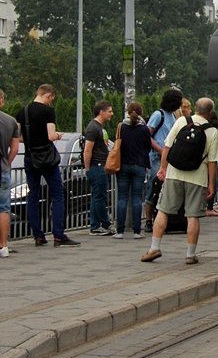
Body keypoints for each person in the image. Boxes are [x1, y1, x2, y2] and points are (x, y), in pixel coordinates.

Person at [141, 98, 218, 265]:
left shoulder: (182, 121)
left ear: (195, 109)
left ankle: (154, 248)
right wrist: (211, 184)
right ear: (210, 113)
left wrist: (163, 169)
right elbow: (212, 162)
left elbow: (167, 147)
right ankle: (190, 255)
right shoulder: (212, 131)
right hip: (197, 179)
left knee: (163, 211)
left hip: (174, 174)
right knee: (193, 217)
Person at [15, 84, 80, 247]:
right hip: (47, 159)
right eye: (51, 99)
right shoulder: (48, 111)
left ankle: (38, 236)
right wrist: (58, 135)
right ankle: (58, 235)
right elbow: (51, 136)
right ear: (48, 95)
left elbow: (19, 137)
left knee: (33, 195)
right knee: (57, 194)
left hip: (30, 157)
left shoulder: (22, 111)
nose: (51, 102)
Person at [144, 88, 183, 232]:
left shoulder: (173, 117)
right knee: (153, 186)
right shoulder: (158, 115)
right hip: (157, 156)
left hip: (168, 157)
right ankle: (148, 220)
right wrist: (160, 149)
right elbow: (147, 134)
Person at [113, 102, 152, 239]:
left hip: (123, 165)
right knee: (137, 198)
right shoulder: (144, 129)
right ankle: (137, 231)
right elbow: (148, 147)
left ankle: (119, 231)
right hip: (139, 165)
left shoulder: (121, 127)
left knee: (122, 198)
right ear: (141, 112)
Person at [84, 100, 114, 236]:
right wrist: (88, 169)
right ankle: (103, 223)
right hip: (97, 166)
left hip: (102, 166)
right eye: (109, 111)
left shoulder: (99, 127)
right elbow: (87, 150)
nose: (111, 114)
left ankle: (95, 225)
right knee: (99, 197)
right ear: (101, 112)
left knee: (98, 196)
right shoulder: (93, 128)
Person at [0, 90, 20, 258]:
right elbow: (15, 148)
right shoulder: (11, 121)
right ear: (1, 101)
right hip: (2, 169)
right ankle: (3, 246)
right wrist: (6, 162)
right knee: (3, 208)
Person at [205, 109, 218, 216]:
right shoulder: (213, 131)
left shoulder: (201, 128)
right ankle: (209, 207)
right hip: (208, 161)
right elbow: (213, 158)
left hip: (199, 163)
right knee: (212, 183)